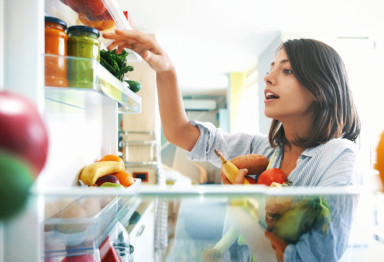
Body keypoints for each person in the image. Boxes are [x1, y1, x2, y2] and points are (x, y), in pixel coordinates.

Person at [103, 30, 362, 261]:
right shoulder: (264, 150)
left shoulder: (339, 157)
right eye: (271, 67)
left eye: (286, 70)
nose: (268, 77)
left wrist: (241, 210)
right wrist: (165, 68)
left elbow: (313, 258)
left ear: (320, 88)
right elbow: (180, 133)